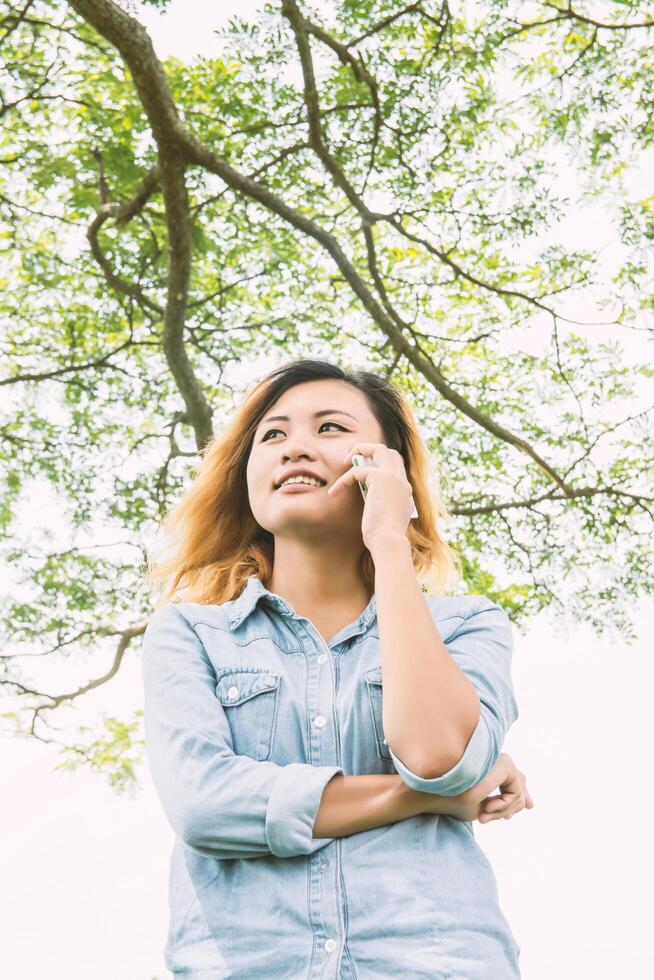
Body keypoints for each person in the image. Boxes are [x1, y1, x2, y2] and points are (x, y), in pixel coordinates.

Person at [142, 357, 534, 979]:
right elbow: (206, 806)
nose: (296, 446)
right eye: (273, 435)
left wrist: (388, 539)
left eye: (330, 428)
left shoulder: (466, 625)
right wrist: (428, 799)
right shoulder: (191, 634)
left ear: (389, 468)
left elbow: (438, 755)